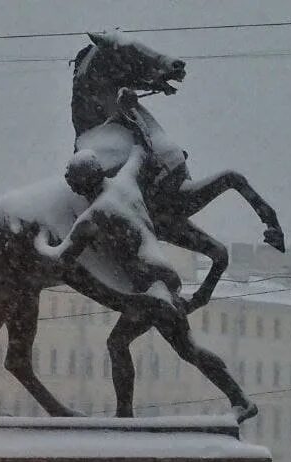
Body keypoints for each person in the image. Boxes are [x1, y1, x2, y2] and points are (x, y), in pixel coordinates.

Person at [37, 126, 257, 423]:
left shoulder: (95, 216)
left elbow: (61, 258)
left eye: (71, 179)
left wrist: (39, 242)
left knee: (141, 346)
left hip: (151, 292)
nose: (69, 184)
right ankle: (237, 399)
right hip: (162, 282)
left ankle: (128, 414)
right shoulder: (127, 186)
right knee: (180, 348)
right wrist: (129, 117)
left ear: (80, 184)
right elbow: (141, 149)